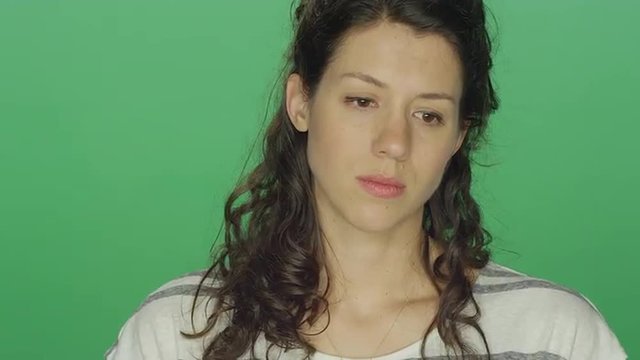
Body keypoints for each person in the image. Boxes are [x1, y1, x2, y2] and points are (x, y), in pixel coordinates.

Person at [105, 0, 627, 359]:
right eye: (362, 100)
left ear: (458, 136)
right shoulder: (178, 333)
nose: (394, 143)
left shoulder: (554, 335)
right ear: (301, 102)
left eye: (428, 115)